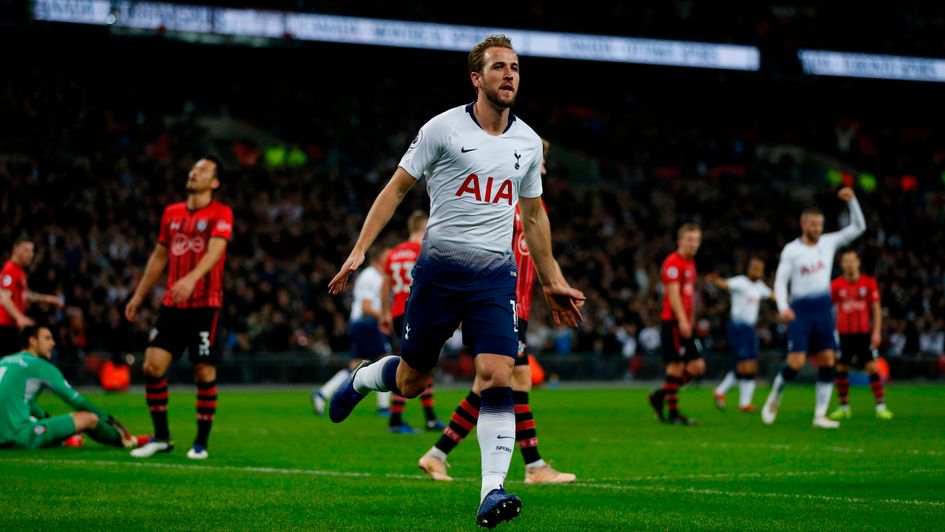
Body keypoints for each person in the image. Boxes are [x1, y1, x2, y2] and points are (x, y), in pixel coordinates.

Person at [325, 35, 584, 528]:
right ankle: (362, 378)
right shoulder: (442, 128)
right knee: (411, 382)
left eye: (515, 68)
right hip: (439, 275)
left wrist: (553, 280)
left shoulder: (528, 142)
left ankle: (492, 490)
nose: (509, 75)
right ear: (476, 78)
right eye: (499, 67)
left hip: (495, 278)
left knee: (497, 374)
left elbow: (533, 218)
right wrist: (360, 249)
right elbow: (396, 189)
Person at [417, 139, 575, 484]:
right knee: (515, 379)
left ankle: (437, 455)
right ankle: (534, 466)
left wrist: (559, 287)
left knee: (489, 384)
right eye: (540, 160)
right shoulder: (501, 198)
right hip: (500, 302)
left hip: (517, 305)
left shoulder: (531, 203)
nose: (543, 168)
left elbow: (545, 254)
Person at [124, 156, 233, 459]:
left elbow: (216, 250)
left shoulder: (221, 212)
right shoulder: (171, 213)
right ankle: (161, 437)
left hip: (205, 304)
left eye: (203, 170)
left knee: (203, 370)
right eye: (193, 168)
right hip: (173, 304)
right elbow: (159, 256)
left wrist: (191, 278)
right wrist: (138, 295)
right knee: (152, 366)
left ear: (214, 182)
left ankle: (200, 443)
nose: (194, 172)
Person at [761, 187, 865, 428]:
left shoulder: (828, 243)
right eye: (812, 224)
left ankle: (820, 415)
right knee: (796, 362)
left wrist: (852, 201)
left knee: (829, 359)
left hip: (823, 310)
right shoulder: (792, 250)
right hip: (800, 311)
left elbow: (859, 228)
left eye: (819, 224)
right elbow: (780, 281)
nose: (817, 228)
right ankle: (775, 397)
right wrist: (783, 306)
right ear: (803, 224)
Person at [0, 325, 137, 449]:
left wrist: (46, 418)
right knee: (89, 418)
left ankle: (63, 440)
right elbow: (75, 400)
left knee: (32, 420)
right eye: (47, 338)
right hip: (17, 436)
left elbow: (23, 402)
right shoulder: (39, 365)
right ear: (32, 341)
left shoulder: (4, 360)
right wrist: (108, 419)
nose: (53, 343)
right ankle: (125, 440)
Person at [312, 246, 404, 426]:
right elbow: (366, 307)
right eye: (387, 254)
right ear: (377, 257)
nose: (391, 257)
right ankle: (384, 407)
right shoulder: (370, 276)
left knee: (355, 366)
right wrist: (387, 317)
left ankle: (323, 393)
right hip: (366, 323)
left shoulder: (378, 276)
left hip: (361, 324)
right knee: (385, 359)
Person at [378, 211, 445, 433]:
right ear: (424, 227)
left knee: (414, 363)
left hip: (398, 313)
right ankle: (398, 419)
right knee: (420, 364)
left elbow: (385, 286)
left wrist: (385, 313)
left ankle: (425, 417)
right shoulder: (424, 250)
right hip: (418, 311)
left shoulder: (394, 253)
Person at [648, 224, 705, 426]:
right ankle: (673, 414)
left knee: (697, 367)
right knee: (676, 367)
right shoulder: (673, 262)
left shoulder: (690, 263)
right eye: (690, 239)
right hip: (672, 321)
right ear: (680, 241)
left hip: (685, 321)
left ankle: (660, 395)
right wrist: (682, 320)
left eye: (696, 240)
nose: (693, 244)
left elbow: (689, 295)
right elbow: (673, 294)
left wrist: (691, 319)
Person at [828, 249, 893, 420]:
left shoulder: (869, 283)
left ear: (858, 262)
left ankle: (880, 406)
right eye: (846, 261)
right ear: (841, 264)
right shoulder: (836, 285)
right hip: (843, 334)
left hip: (863, 334)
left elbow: (876, 309)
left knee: (872, 367)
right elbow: (828, 309)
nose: (849, 264)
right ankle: (844, 406)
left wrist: (876, 331)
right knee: (841, 368)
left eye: (852, 260)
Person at [707, 257, 773, 412]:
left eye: (760, 269)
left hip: (750, 329)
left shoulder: (760, 286)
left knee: (749, 366)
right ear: (749, 269)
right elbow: (725, 284)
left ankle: (728, 395)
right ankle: (736, 399)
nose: (758, 271)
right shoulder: (740, 282)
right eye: (755, 268)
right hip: (738, 328)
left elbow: (772, 295)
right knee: (746, 364)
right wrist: (715, 281)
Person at [0, 238, 65, 355]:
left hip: (12, 327)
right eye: (26, 250)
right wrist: (19, 317)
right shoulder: (10, 269)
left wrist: (48, 299)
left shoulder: (20, 272)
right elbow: (4, 298)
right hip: (4, 327)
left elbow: (24, 295)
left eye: (32, 251)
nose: (30, 254)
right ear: (15, 250)